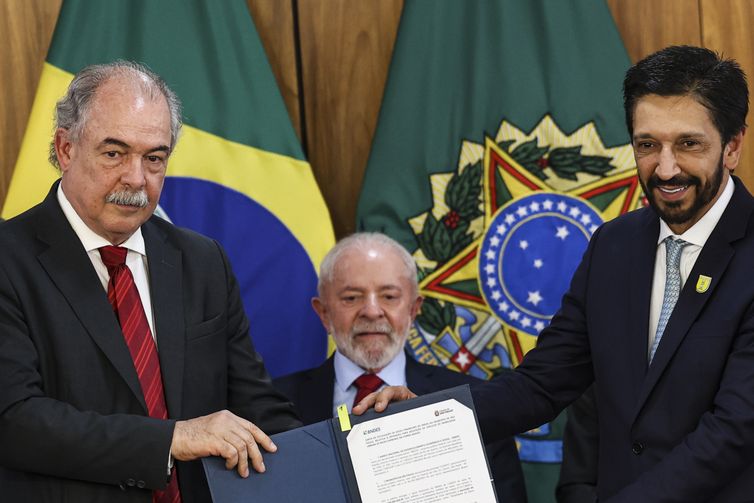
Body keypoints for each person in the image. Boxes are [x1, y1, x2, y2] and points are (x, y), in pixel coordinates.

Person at [357, 45, 754, 501]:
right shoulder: (614, 245)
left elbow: (733, 431)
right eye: (647, 145)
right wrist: (432, 416)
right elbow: (542, 384)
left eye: (688, 144)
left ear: (732, 146)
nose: (665, 168)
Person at [0, 62, 301, 502]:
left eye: (154, 158)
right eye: (114, 153)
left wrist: (371, 437)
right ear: (66, 149)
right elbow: (15, 420)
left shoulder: (202, 261)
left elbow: (258, 410)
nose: (136, 178)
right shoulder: (10, 258)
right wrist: (170, 439)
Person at [273, 232, 528, 502]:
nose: (372, 311)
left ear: (414, 309)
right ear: (323, 313)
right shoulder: (271, 403)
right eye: (351, 298)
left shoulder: (473, 403)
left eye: (389, 296)